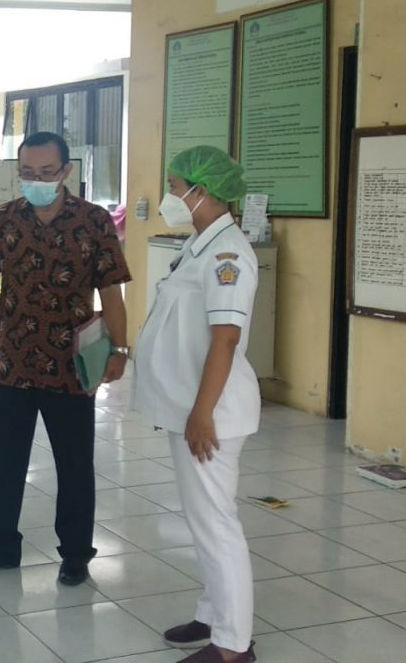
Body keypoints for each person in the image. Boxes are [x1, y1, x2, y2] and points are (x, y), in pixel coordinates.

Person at [0, 132, 132, 587]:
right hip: (13, 363)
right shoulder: (2, 219)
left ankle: (76, 555)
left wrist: (120, 349)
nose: (36, 180)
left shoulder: (94, 221)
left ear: (66, 171)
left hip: (71, 365)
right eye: (27, 173)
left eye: (46, 172)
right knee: (5, 462)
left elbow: (111, 292)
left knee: (74, 465)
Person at [132, 145, 259, 663]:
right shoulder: (200, 244)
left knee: (215, 524)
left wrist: (203, 413)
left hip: (212, 412)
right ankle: (213, 613)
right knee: (202, 519)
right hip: (192, 406)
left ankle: (233, 647)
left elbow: (225, 338)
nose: (169, 196)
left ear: (200, 192)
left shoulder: (228, 255)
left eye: (174, 186)